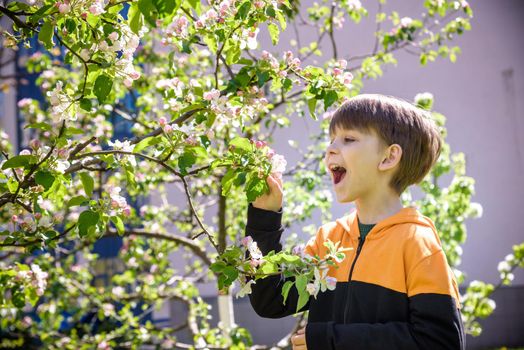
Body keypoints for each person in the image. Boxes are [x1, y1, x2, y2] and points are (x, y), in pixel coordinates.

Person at [244, 94, 465, 349]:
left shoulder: (418, 244)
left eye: (348, 139)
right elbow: (269, 300)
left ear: (389, 157)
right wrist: (265, 216)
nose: (330, 149)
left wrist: (331, 340)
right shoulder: (328, 240)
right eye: (331, 140)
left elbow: (441, 343)